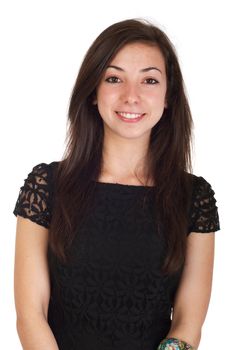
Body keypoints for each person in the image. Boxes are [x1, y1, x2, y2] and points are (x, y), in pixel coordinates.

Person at [13, 18, 220, 350]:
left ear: (169, 96)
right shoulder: (46, 186)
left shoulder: (194, 197)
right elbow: (30, 314)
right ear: (94, 92)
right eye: (114, 78)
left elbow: (187, 321)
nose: (131, 96)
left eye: (149, 80)